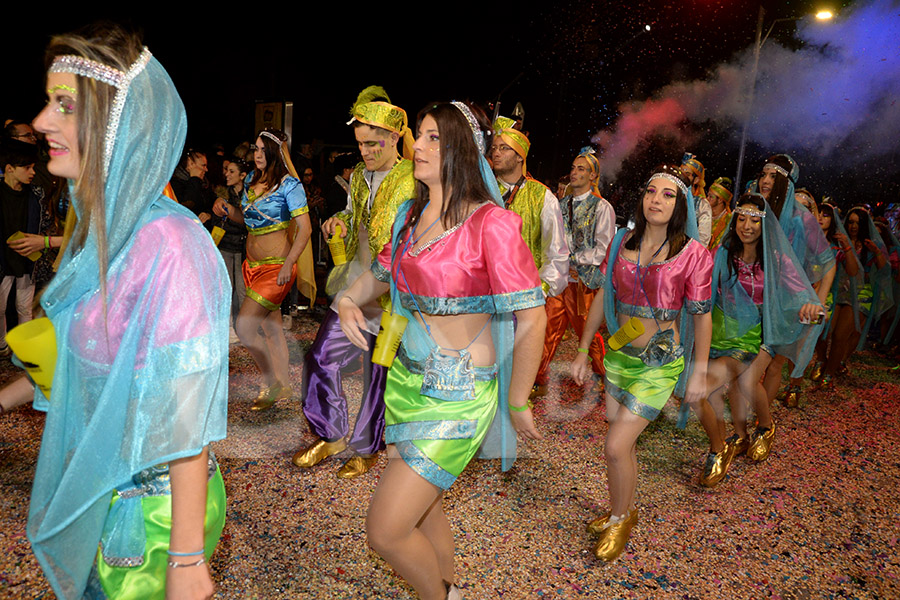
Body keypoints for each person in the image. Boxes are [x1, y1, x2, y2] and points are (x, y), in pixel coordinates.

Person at [1, 24, 229, 599]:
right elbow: (97, 363)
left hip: (149, 521)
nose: (43, 121)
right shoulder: (100, 233)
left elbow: (185, 413)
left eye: (65, 106)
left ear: (118, 125)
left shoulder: (168, 243)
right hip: (104, 495)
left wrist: (185, 560)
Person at [338, 101, 545, 599]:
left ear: (461, 150)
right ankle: (445, 585)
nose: (420, 147)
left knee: (385, 531)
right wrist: (348, 296)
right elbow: (382, 274)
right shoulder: (410, 215)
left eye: (434, 138)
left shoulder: (491, 224)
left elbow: (532, 313)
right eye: (421, 137)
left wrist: (517, 400)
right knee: (426, 507)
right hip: (406, 383)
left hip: (459, 395)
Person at [572, 165, 713, 562]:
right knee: (624, 446)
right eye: (652, 191)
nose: (657, 199)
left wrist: (698, 372)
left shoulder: (694, 255)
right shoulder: (620, 242)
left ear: (681, 205)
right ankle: (623, 509)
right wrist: (583, 349)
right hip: (619, 356)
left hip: (659, 363)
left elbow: (702, 317)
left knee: (615, 446)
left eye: (669, 194)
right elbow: (602, 297)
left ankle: (620, 518)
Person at [293, 86, 415, 478]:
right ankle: (332, 434)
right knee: (320, 356)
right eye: (360, 144)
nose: (364, 152)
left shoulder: (414, 179)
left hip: (394, 291)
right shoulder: (361, 175)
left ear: (395, 138)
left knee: (377, 371)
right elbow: (354, 212)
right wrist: (339, 220)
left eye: (373, 143)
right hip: (358, 283)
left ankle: (367, 446)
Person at [693, 193, 824, 487]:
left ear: (765, 225)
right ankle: (733, 437)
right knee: (710, 391)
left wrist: (809, 306)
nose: (747, 226)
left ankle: (761, 429)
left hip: (759, 337)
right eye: (742, 218)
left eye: (755, 220)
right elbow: (701, 288)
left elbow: (801, 294)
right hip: (718, 335)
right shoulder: (722, 253)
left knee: (741, 382)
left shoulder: (776, 260)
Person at [212, 128, 313, 410]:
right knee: (271, 329)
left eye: (261, 149)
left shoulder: (289, 185)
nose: (256, 155)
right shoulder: (252, 182)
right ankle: (284, 385)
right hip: (251, 267)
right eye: (254, 149)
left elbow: (305, 228)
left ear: (274, 152)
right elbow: (246, 221)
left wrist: (289, 264)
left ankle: (272, 382)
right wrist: (227, 210)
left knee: (244, 327)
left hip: (276, 268)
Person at [490, 116, 568, 398]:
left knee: (512, 375)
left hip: (520, 304)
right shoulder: (483, 191)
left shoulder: (542, 197)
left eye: (503, 148)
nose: (496, 152)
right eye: (494, 147)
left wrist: (540, 292)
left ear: (520, 156)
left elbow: (557, 254)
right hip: (481, 299)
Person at [533, 147, 614, 397]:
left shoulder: (602, 207)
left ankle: (603, 375)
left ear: (593, 176)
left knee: (587, 335)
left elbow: (604, 247)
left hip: (585, 285)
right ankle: (537, 378)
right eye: (573, 168)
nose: (574, 172)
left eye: (581, 169)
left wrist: (575, 259)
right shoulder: (558, 205)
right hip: (560, 281)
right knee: (546, 330)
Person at [811, 202, 860, 385]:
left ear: (833, 221)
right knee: (810, 335)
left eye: (826, 215)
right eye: (819, 213)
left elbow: (853, 271)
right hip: (805, 293)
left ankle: (827, 368)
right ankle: (821, 358)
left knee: (823, 331)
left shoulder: (836, 248)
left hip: (829, 295)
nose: (821, 217)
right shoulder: (806, 241)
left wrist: (847, 247)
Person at [202, 157, 250, 330]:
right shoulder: (221, 193)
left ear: (243, 175)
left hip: (243, 247)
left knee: (243, 290)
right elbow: (218, 218)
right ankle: (227, 327)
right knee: (225, 287)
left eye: (232, 171)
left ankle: (244, 327)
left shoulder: (250, 195)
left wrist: (231, 214)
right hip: (225, 245)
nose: (227, 174)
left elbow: (247, 221)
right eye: (226, 170)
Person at [681, 153, 712, 246]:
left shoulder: (702, 205)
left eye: (687, 174)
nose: (683, 177)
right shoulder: (670, 197)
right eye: (680, 172)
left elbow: (703, 239)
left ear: (696, 180)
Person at [706, 176, 733, 250]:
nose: (707, 199)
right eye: (708, 195)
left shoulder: (729, 221)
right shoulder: (703, 216)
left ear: (720, 200)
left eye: (711, 197)